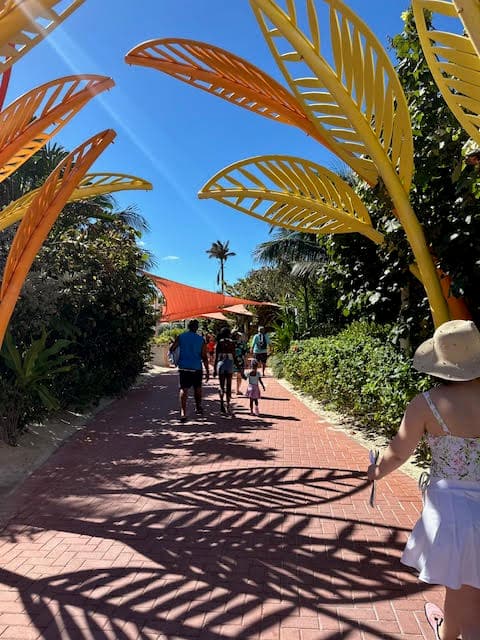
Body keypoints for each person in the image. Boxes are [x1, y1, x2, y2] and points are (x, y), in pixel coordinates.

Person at [367, 320, 480, 640]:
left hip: (452, 511)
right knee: (465, 583)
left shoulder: (427, 404)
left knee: (473, 609)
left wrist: (375, 472)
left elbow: (399, 452)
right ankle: (446, 631)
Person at [169, 319, 209, 421]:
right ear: (197, 328)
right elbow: (204, 356)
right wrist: (207, 371)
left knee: (183, 389)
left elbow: (172, 348)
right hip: (196, 367)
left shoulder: (181, 337)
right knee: (197, 388)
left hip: (183, 366)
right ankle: (198, 407)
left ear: (188, 327)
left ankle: (183, 412)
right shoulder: (201, 340)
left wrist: (176, 356)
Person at [213, 326, 236, 415]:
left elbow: (216, 358)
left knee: (221, 386)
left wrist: (215, 369)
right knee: (229, 385)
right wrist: (240, 368)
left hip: (221, 364)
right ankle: (228, 405)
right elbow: (234, 356)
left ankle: (222, 403)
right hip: (229, 364)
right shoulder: (232, 343)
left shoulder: (219, 343)